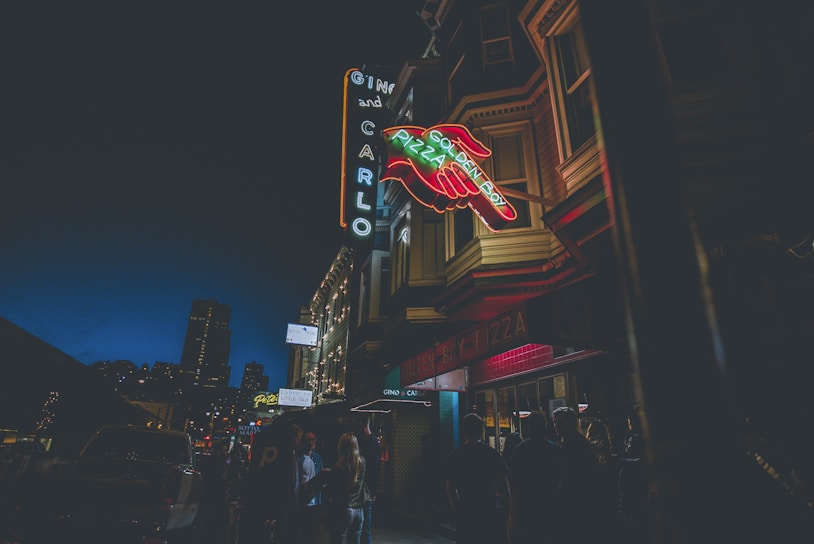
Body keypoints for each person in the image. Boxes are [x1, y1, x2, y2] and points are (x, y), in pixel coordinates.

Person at [444, 412, 511, 544]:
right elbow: (504, 488)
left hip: (466, 512)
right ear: (481, 430)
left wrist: (459, 510)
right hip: (488, 512)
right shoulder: (491, 454)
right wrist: (506, 513)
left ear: (464, 431)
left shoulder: (455, 456)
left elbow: (449, 489)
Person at [241, 415, 303, 543]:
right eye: (298, 438)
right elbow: (289, 482)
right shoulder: (286, 449)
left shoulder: (262, 440)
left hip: (258, 499)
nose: (299, 442)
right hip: (277, 502)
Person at [507, 410, 562, 544]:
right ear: (544, 428)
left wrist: (511, 520)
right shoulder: (555, 450)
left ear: (529, 428)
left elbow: (515, 488)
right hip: (549, 509)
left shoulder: (520, 451)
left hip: (526, 512)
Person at [552, 406, 603, 541]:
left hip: (576, 504)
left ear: (571, 423)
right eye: (555, 422)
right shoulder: (574, 443)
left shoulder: (573, 446)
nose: (555, 426)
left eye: (559, 422)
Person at [308, 432, 367, 544]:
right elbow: (352, 476)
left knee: (338, 539)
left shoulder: (339, 466)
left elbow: (334, 486)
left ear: (342, 447)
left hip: (343, 510)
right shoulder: (362, 462)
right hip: (359, 510)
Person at [353, 413, 381, 544]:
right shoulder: (371, 442)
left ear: (362, 425)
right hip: (367, 490)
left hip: (367, 491)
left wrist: (374, 490)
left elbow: (375, 469)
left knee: (363, 527)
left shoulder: (370, 443)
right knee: (364, 527)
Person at [198, 439, 230, 544]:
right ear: (218, 451)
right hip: (212, 497)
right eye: (224, 451)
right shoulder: (214, 463)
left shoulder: (220, 462)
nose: (225, 453)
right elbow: (217, 480)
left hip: (212, 497)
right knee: (211, 523)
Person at [300, 430, 327, 544]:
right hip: (303, 501)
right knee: (304, 532)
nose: (312, 442)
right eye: (309, 439)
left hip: (316, 501)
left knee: (314, 533)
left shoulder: (317, 457)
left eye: (313, 439)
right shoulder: (299, 458)